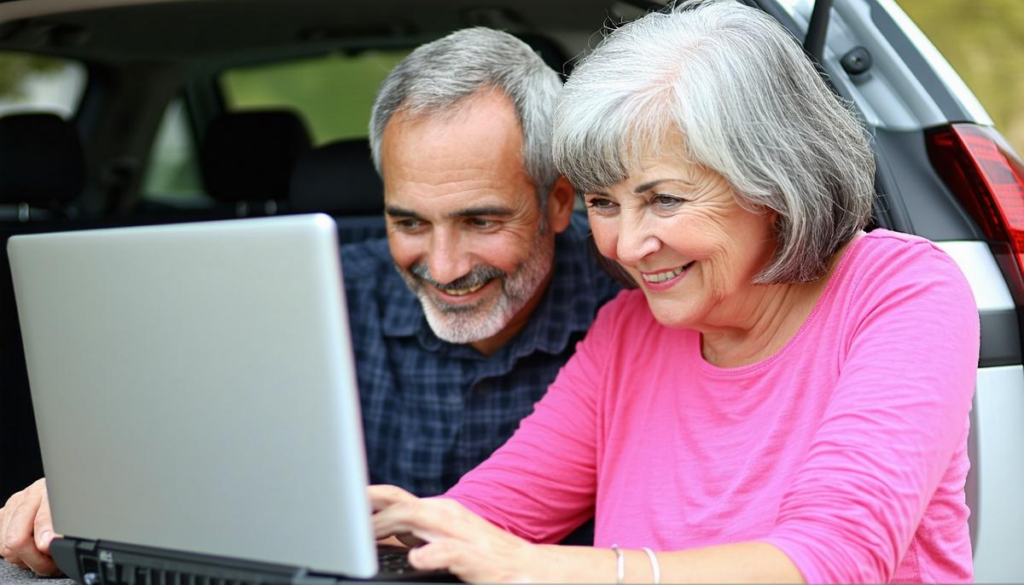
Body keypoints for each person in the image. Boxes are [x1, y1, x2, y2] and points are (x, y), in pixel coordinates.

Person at [369, 1, 980, 583]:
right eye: (604, 203)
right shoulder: (629, 329)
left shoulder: (899, 291)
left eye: (664, 199)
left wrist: (542, 568)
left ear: (770, 180)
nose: (626, 247)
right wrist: (375, 527)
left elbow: (833, 560)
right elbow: (484, 516)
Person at [0, 28, 619, 575]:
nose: (445, 265)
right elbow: (188, 439)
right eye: (408, 223)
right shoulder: (308, 297)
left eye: (481, 221)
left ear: (560, 201)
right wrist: (95, 492)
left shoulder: (634, 314)